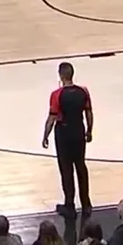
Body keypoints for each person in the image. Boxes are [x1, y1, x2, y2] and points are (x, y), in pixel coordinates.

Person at [42, 61, 93, 216]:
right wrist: (89, 130)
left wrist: (45, 135)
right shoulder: (83, 91)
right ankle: (86, 203)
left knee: (66, 169)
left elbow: (52, 118)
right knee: (81, 166)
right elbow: (89, 112)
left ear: (60, 75)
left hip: (63, 134)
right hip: (79, 131)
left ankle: (69, 205)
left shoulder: (56, 95)